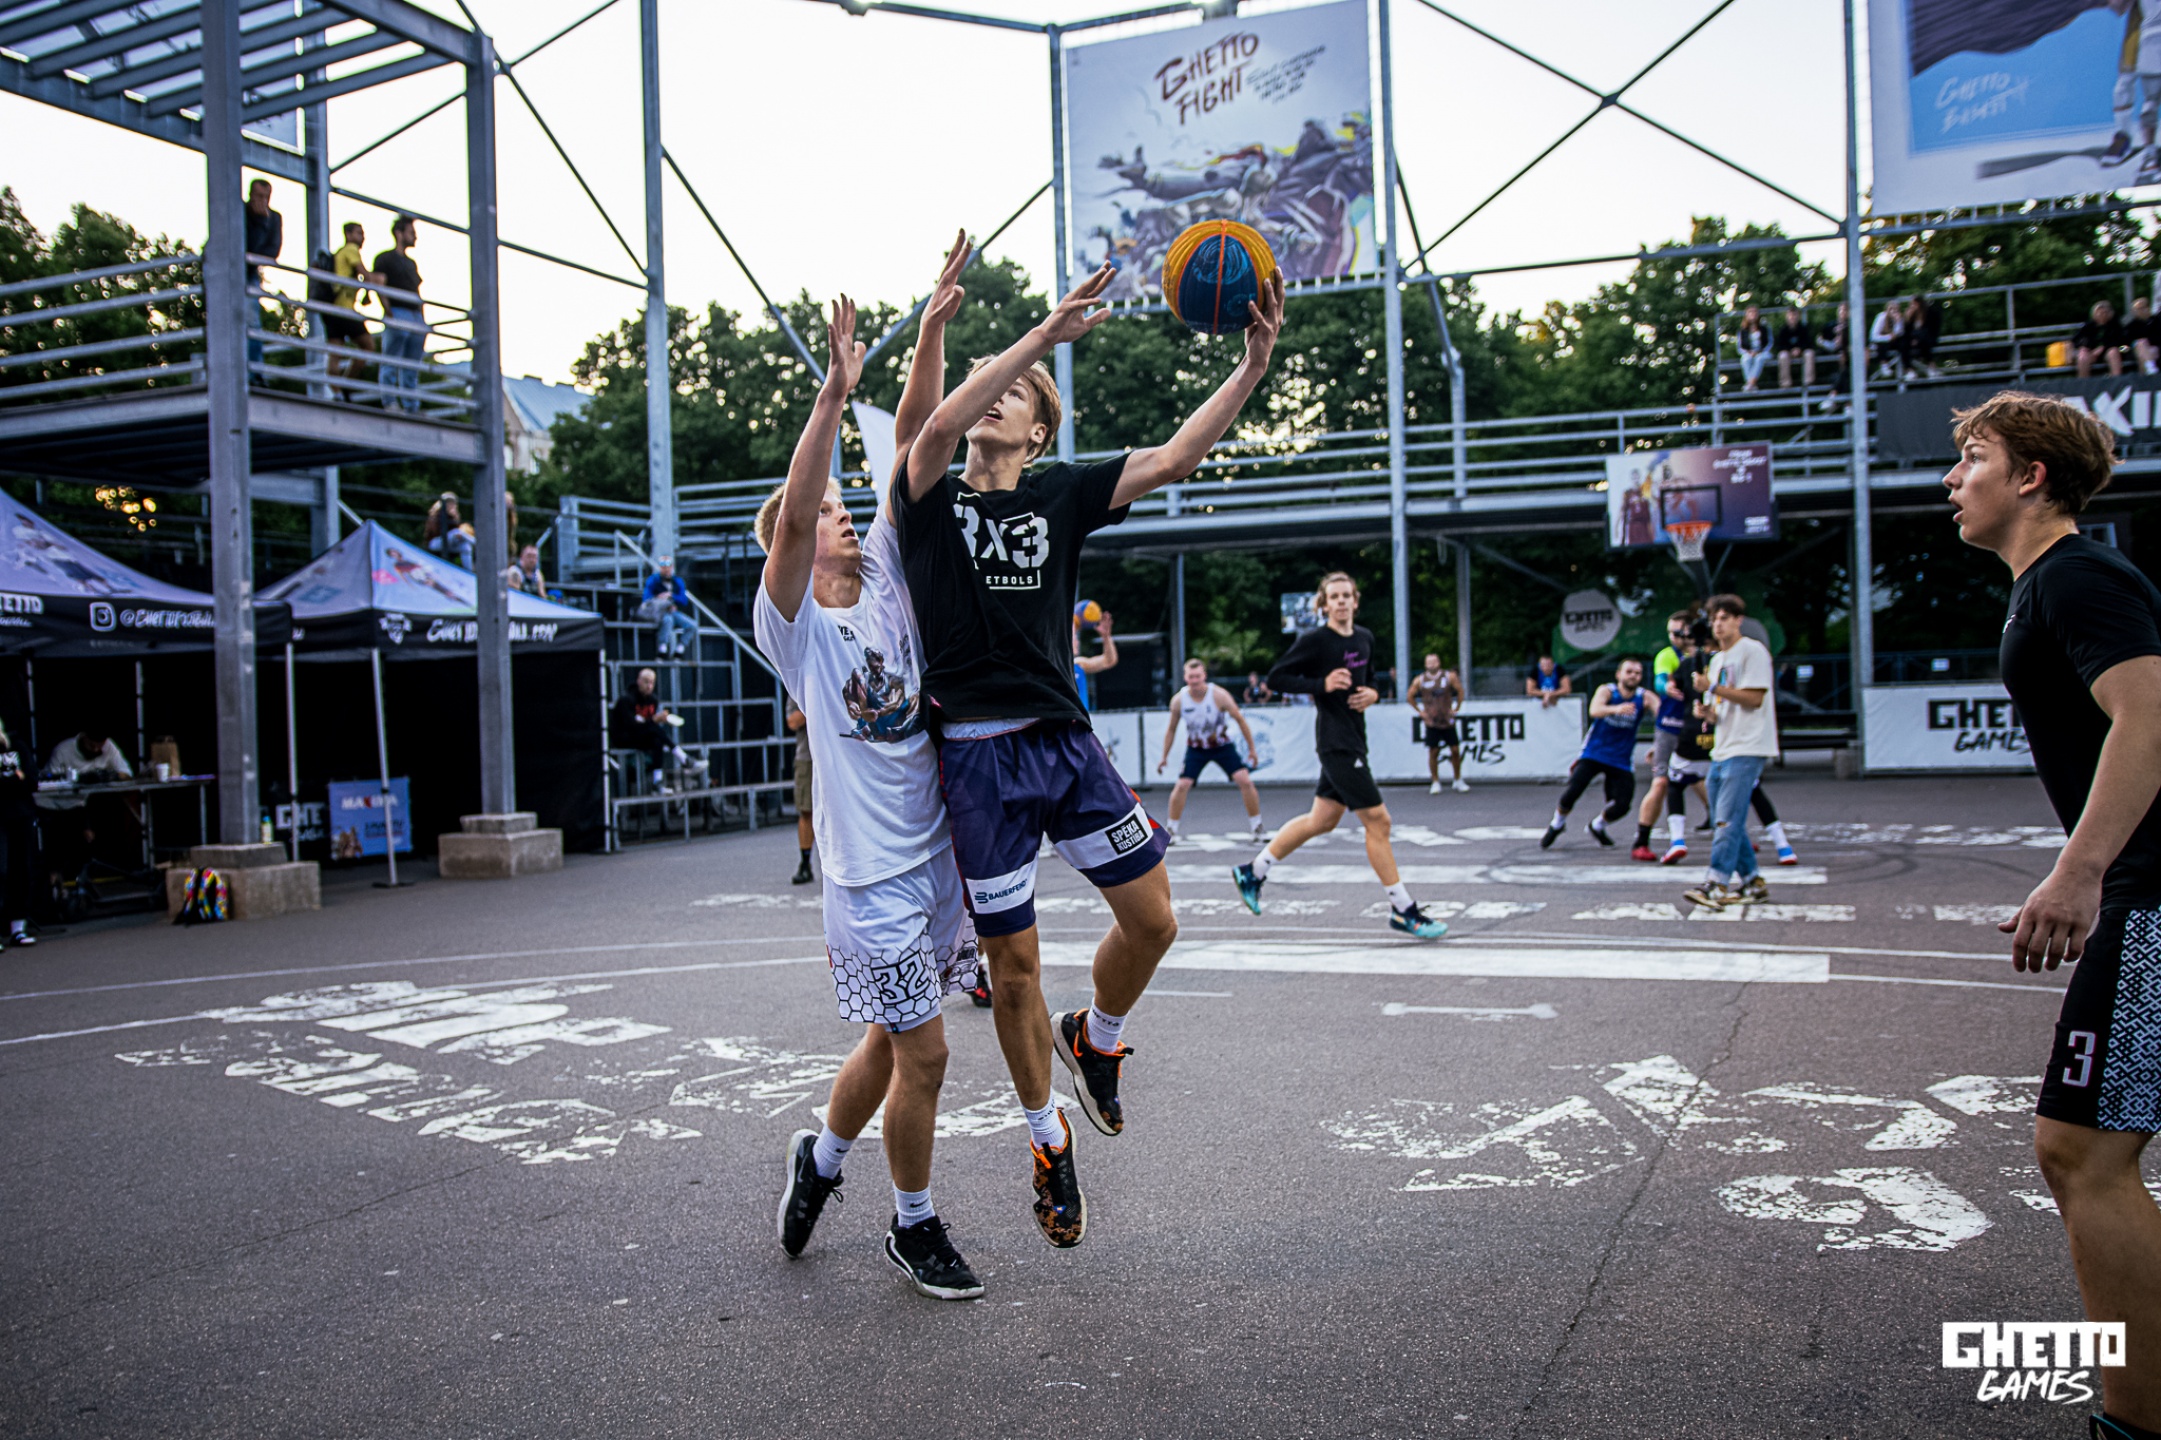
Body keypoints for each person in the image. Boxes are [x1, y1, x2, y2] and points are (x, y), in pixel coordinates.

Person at [892, 256, 1286, 1247]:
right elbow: (930, 427)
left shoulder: (1062, 492)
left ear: (1039, 430)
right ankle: (1045, 1138)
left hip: (1064, 745)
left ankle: (1095, 1037)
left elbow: (1177, 457)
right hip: (977, 757)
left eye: (1014, 391)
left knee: (1153, 921)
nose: (991, 396)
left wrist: (1251, 364)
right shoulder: (927, 496)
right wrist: (1032, 338)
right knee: (1013, 968)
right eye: (983, 384)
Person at [754, 288, 983, 1302]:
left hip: (935, 861)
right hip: (870, 880)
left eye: (845, 509)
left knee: (890, 1044)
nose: (845, 513)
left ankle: (819, 1161)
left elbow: (915, 438)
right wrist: (828, 398)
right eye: (828, 513)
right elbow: (797, 508)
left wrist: (930, 331)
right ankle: (913, 1223)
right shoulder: (795, 628)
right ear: (797, 545)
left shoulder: (888, 570)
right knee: (925, 1054)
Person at [1944, 388, 2161, 1440]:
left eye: (1974, 459)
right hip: (2141, 887)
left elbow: (2149, 716)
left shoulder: (2075, 574)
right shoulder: (2049, 584)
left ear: (2030, 476)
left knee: (2081, 1153)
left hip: (2152, 896)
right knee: (2085, 1152)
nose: (1953, 479)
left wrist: (2078, 874)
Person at [1231, 572, 1450, 940]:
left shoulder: (1364, 638)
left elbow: (1373, 678)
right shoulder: (1316, 641)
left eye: (1347, 595)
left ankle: (1252, 872)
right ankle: (1403, 910)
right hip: (1336, 743)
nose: (1342, 601)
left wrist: (1374, 694)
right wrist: (1321, 684)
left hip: (1355, 738)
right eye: (1334, 597)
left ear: (1355, 600)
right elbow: (1277, 678)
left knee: (1321, 820)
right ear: (1324, 604)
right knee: (1378, 821)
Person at [1683, 594, 1779, 909]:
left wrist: (1711, 687)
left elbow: (1754, 698)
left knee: (1726, 818)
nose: (1718, 624)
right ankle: (1751, 880)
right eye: (1714, 619)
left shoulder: (1752, 651)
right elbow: (1720, 710)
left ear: (1739, 620)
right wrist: (1706, 712)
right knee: (1723, 818)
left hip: (1748, 744)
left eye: (1724, 617)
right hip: (1723, 746)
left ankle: (1716, 883)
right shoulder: (1717, 661)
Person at [1541, 657, 1649, 849]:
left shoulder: (1644, 697)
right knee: (1573, 790)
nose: (1633, 676)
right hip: (1595, 752)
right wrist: (1616, 709)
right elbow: (1595, 710)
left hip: (1621, 759)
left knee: (1623, 805)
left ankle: (1597, 826)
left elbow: (1661, 711)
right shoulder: (1607, 691)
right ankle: (1557, 824)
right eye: (1629, 672)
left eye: (1637, 673)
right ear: (1619, 674)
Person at [1155, 659, 1265, 843]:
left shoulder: (1219, 695)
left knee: (1244, 780)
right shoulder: (1179, 700)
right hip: (1196, 748)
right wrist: (1164, 757)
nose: (1195, 681)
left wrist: (1252, 750)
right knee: (1182, 785)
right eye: (1191, 677)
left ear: (1204, 676)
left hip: (1221, 746)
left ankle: (1257, 826)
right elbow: (1171, 729)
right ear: (1185, 678)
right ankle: (1171, 829)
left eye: (1198, 676)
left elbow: (1240, 720)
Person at [1632, 610, 1704, 861]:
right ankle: (1641, 841)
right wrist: (1667, 687)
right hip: (1670, 728)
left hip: (1697, 727)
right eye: (1671, 632)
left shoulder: (1703, 654)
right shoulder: (1667, 655)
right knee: (1661, 782)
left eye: (1678, 632)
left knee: (1709, 780)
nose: (1673, 637)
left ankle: (1731, 831)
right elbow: (1661, 681)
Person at [38, 727, 134, 885]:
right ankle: (56, 879)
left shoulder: (108, 747)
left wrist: (109, 775)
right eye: (91, 746)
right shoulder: (63, 750)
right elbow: (49, 782)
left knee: (92, 829)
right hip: (54, 804)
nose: (95, 750)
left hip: (79, 804)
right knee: (62, 836)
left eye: (99, 746)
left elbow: (127, 773)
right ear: (84, 739)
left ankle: (81, 877)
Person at [609, 667, 692, 795]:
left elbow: (646, 725)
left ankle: (657, 783)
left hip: (641, 736)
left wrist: (657, 720)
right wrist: (653, 720)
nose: (649, 686)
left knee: (657, 739)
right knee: (656, 730)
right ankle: (683, 757)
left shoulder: (653, 700)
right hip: (624, 737)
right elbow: (631, 726)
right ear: (639, 681)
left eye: (652, 682)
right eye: (646, 682)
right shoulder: (626, 700)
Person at [372, 215, 425, 412]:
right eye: (411, 232)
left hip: (414, 315)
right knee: (391, 358)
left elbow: (417, 291)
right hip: (398, 311)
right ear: (399, 233)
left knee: (412, 364)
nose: (415, 237)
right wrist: (389, 312)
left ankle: (411, 406)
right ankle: (390, 402)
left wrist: (422, 317)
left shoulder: (411, 263)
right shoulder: (385, 258)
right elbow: (379, 285)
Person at [325, 221, 376, 401]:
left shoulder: (339, 254)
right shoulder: (351, 250)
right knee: (368, 345)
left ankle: (337, 392)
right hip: (346, 309)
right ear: (348, 234)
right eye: (358, 233)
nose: (362, 237)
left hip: (332, 310)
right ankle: (346, 386)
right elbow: (365, 274)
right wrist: (368, 293)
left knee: (335, 354)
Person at [1407, 651, 1468, 793]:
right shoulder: (1420, 680)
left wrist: (1456, 708)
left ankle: (1457, 779)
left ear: (1438, 663)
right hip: (1432, 722)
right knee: (1433, 751)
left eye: (1433, 662)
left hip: (1447, 720)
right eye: (1429, 662)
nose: (1431, 665)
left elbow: (1460, 691)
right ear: (1425, 664)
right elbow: (1410, 696)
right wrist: (1421, 712)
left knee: (1455, 750)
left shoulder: (1449, 676)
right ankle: (1435, 781)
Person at [0, 722, 36, 945]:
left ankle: (18, 929)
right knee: (1, 871)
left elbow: (31, 780)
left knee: (21, 869)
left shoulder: (17, 745)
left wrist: (11, 780)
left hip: (20, 815)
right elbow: (19, 779)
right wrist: (15, 778)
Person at [244, 179, 283, 369]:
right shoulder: (240, 211)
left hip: (250, 273)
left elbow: (272, 251)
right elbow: (244, 245)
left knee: (253, 322)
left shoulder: (273, 217)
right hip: (231, 272)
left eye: (266, 197)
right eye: (259, 196)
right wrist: (259, 222)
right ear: (251, 195)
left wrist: (262, 222)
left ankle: (255, 372)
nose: (263, 201)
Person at [643, 557, 697, 658]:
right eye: (663, 567)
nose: (666, 569)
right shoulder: (653, 580)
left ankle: (680, 649)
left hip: (672, 611)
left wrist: (671, 596)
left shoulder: (677, 581)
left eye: (668, 567)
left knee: (692, 625)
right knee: (668, 620)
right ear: (660, 568)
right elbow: (646, 598)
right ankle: (662, 648)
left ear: (672, 567)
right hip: (658, 612)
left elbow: (684, 600)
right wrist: (659, 598)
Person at [785, 696, 814, 885]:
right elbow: (792, 722)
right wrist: (815, 702)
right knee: (806, 810)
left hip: (837, 755)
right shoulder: (800, 687)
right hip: (807, 756)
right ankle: (805, 864)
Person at [1071, 609, 1117, 711]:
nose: (1077, 641)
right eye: (1074, 636)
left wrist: (1106, 637)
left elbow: (1109, 661)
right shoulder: (1053, 668)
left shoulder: (1078, 664)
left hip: (1080, 720)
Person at [2075, 300, 2126, 379]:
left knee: (2114, 352)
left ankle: (2117, 381)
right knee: (2083, 355)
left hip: (2116, 351)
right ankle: (2083, 382)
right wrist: (2086, 348)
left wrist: (2103, 348)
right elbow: (2077, 340)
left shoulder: (2115, 325)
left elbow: (2122, 343)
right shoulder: (2088, 326)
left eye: (2105, 312)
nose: (2102, 315)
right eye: (2099, 312)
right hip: (2092, 352)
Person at [423, 493, 473, 568]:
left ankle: (468, 571)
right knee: (456, 532)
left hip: (449, 543)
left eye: (452, 503)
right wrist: (448, 517)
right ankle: (477, 542)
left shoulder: (454, 516)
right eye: (448, 503)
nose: (450, 505)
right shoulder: (435, 515)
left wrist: (454, 519)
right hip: (435, 543)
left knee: (465, 546)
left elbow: (455, 533)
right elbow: (436, 532)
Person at [1773, 306, 1815, 390]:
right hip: (1788, 352)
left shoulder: (1803, 328)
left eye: (1794, 315)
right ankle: (1785, 383)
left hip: (1802, 351)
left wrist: (1800, 349)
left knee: (1809, 354)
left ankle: (1808, 381)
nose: (1792, 317)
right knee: (1782, 356)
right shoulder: (1783, 330)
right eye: (1790, 315)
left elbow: (1809, 343)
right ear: (1787, 316)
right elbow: (1780, 345)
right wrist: (1790, 350)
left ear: (1798, 316)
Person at [1734, 305, 1771, 392]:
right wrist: (1749, 352)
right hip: (1748, 353)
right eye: (1750, 312)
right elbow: (1740, 347)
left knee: (1759, 358)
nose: (1753, 314)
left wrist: (1759, 351)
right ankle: (1751, 384)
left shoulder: (1764, 328)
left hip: (1763, 352)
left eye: (1755, 312)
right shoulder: (1742, 331)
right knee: (1745, 359)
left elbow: (1769, 343)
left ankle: (1750, 384)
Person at [1869, 298, 1909, 380]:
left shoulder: (1899, 318)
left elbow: (1900, 333)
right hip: (1880, 342)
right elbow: (1873, 336)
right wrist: (1888, 337)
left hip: (1893, 342)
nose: (1894, 311)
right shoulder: (1881, 317)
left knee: (1904, 342)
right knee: (1882, 344)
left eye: (1896, 309)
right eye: (1891, 309)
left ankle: (1907, 369)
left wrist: (1897, 322)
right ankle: (1884, 365)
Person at [1904, 296, 1943, 377]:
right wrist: (1907, 319)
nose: (1911, 306)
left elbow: (1931, 330)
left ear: (1918, 304)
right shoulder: (1911, 315)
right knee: (1903, 344)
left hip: (1927, 338)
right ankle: (1910, 370)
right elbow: (1906, 332)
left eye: (1912, 304)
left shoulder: (1929, 313)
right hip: (1913, 340)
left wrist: (1917, 339)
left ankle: (1931, 366)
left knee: (1924, 339)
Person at [2128, 295, 2160, 376]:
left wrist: (2148, 342)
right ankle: (2152, 371)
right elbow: (2122, 346)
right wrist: (2128, 348)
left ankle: (2145, 377)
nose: (2141, 311)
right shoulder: (2130, 326)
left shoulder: (2157, 321)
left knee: (2143, 354)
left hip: (2155, 348)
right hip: (2133, 350)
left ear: (2148, 308)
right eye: (2138, 309)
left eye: (2143, 308)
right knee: (2140, 344)